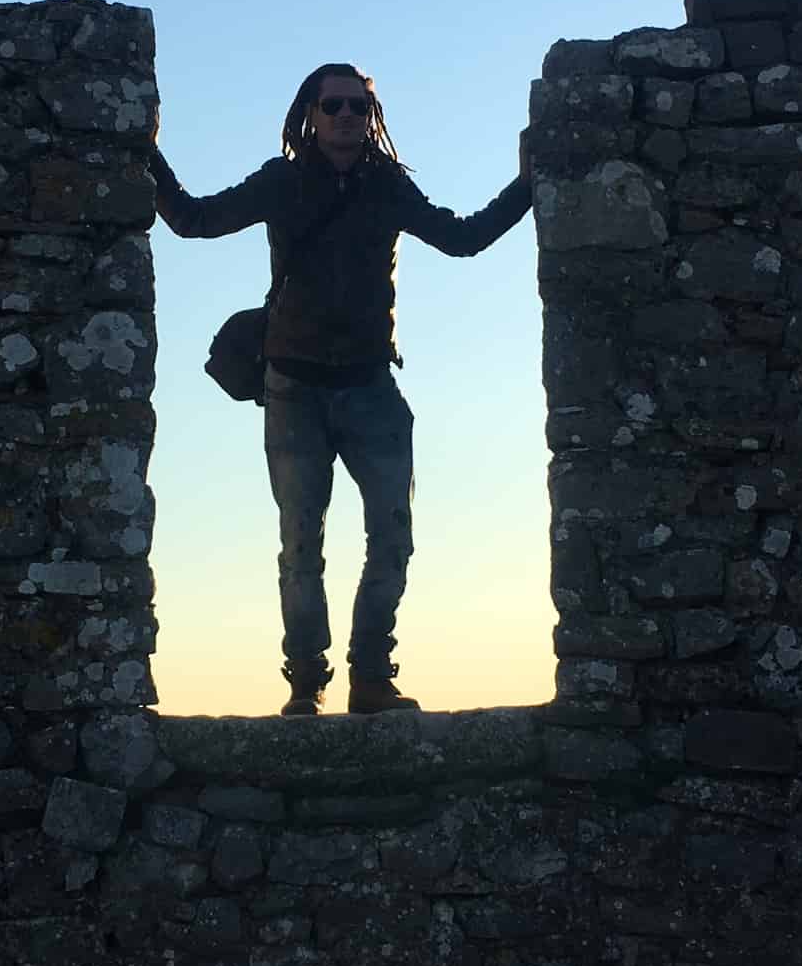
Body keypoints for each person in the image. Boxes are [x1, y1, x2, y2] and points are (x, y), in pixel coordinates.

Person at [150, 63, 532, 716]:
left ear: (371, 116)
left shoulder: (387, 186)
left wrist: (529, 183)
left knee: (392, 534)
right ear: (311, 114)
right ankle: (305, 684)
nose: (347, 115)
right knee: (300, 543)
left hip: (370, 385)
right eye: (334, 105)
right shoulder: (282, 181)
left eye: (358, 105)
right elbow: (192, 220)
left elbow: (462, 239)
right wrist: (146, 149)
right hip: (293, 387)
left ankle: (371, 678)